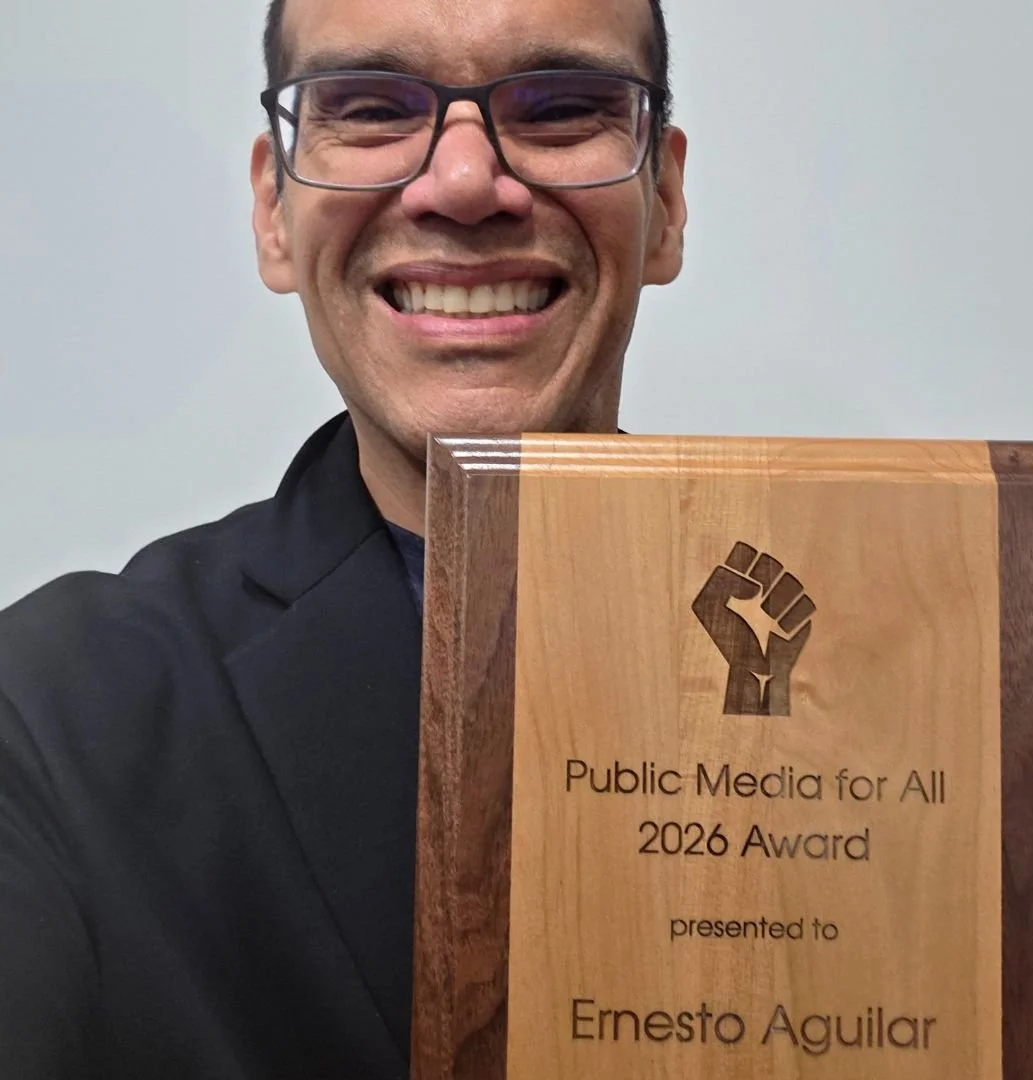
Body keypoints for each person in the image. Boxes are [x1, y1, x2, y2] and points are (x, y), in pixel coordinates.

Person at [0, 0, 687, 1074]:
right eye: (371, 110)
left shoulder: (940, 682)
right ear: (276, 211)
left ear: (668, 199)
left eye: (560, 110)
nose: (463, 185)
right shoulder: (51, 713)